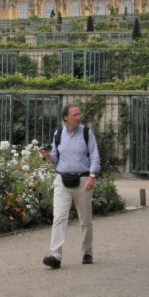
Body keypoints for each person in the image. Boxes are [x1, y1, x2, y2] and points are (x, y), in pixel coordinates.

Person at [37, 104, 101, 269]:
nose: (78, 117)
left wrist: (92, 176)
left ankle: (87, 251)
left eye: (79, 114)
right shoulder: (58, 134)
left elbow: (94, 155)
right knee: (59, 217)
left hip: (83, 180)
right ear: (66, 118)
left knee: (85, 219)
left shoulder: (87, 133)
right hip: (62, 180)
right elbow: (56, 159)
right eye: (75, 115)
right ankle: (55, 256)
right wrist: (47, 155)